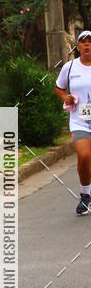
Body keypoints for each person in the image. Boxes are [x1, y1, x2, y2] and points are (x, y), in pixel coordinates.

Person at [54, 29, 91, 215]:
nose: (87, 45)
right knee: (84, 156)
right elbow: (59, 87)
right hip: (80, 120)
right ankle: (86, 196)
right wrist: (65, 97)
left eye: (90, 42)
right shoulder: (70, 67)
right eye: (83, 42)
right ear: (78, 46)